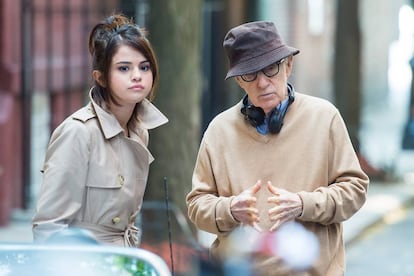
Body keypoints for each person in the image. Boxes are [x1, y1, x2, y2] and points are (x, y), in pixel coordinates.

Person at [186, 21, 369, 275]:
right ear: (240, 80)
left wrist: (303, 204)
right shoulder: (219, 130)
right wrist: (229, 210)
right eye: (250, 74)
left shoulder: (325, 117)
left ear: (288, 66)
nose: (262, 83)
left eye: (271, 69)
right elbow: (197, 205)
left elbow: (355, 190)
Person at [32, 14, 168, 247]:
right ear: (101, 78)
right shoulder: (79, 132)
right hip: (85, 262)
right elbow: (48, 227)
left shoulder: (139, 131)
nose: (137, 75)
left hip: (123, 259)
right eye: (124, 68)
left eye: (144, 67)